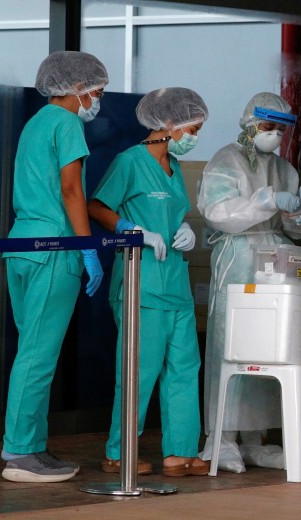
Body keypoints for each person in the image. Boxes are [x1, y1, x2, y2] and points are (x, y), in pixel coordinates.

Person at [88, 87, 210, 477]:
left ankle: (179, 452)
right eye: (193, 128)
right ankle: (117, 452)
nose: (195, 137)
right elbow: (97, 205)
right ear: (168, 124)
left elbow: (173, 217)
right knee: (138, 371)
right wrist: (130, 229)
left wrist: (187, 233)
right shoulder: (131, 161)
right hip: (141, 287)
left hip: (176, 285)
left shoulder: (173, 170)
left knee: (184, 368)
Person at [197, 92, 301, 472]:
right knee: (230, 345)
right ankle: (221, 438)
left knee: (271, 347)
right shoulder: (226, 160)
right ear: (249, 123)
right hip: (238, 257)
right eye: (268, 127)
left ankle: (256, 439)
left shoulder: (285, 169)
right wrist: (265, 201)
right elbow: (218, 212)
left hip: (275, 261)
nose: (274, 136)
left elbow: (291, 225)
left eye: (280, 130)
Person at [0, 51, 109, 483]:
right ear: (76, 89)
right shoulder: (66, 124)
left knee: (32, 351)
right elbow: (70, 190)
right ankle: (20, 451)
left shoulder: (35, 123)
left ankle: (31, 445)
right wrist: (86, 247)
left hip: (21, 245)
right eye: (96, 92)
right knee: (39, 355)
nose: (97, 101)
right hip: (53, 248)